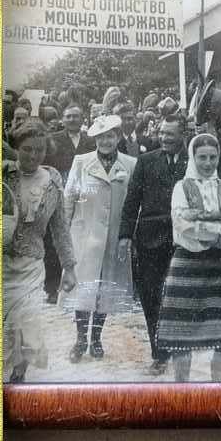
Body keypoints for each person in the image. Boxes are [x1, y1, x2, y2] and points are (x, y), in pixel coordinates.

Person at [155, 133, 221, 381]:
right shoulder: (181, 188)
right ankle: (182, 397)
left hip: (219, 265)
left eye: (213, 157)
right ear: (193, 158)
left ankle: (219, 394)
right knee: (182, 340)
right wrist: (215, 236)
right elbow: (182, 223)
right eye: (202, 157)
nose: (208, 163)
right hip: (187, 263)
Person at [3, 121, 78, 382]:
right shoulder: (1, 174)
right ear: (16, 148)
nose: (33, 156)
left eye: (39, 150)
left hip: (32, 265)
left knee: (28, 323)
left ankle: (19, 375)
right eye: (26, 150)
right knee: (3, 329)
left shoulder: (52, 180)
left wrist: (69, 267)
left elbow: (60, 228)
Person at [118, 114, 189, 375]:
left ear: (182, 134)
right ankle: (159, 354)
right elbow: (131, 200)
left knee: (179, 297)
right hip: (148, 240)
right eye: (162, 133)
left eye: (170, 133)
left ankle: (180, 348)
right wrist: (125, 235)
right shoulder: (146, 162)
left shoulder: (193, 161)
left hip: (183, 241)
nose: (165, 138)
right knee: (150, 297)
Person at [62, 115, 137, 361]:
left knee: (105, 288)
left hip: (114, 237)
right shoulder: (81, 162)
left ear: (118, 137)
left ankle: (96, 339)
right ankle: (80, 339)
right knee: (84, 289)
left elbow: (134, 204)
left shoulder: (130, 164)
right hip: (84, 235)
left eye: (110, 136)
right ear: (94, 138)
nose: (105, 141)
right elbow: (69, 199)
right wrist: (65, 234)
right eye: (101, 137)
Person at [42, 104, 95, 303]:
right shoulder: (54, 140)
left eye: (76, 116)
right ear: (63, 119)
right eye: (68, 116)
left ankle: (79, 284)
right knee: (55, 240)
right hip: (58, 193)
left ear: (82, 119)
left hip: (83, 196)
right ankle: (52, 287)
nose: (72, 120)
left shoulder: (90, 141)